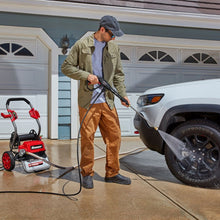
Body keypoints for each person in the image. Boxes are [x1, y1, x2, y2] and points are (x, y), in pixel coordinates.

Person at [61, 15, 131, 189]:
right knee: (87, 139)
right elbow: (66, 67)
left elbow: (118, 74)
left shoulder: (114, 47)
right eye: (112, 34)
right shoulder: (82, 45)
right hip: (88, 101)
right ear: (102, 30)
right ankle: (87, 173)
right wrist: (87, 76)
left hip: (107, 100)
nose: (114, 38)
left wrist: (123, 95)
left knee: (114, 137)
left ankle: (112, 173)